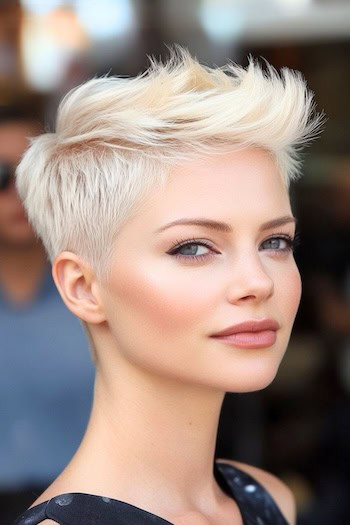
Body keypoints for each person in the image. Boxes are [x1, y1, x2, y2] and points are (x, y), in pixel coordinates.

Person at [13, 48, 321, 525]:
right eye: (194, 248)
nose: (258, 282)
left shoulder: (267, 499)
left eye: (275, 241)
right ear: (83, 287)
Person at [0, 109, 94, 523]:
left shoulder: (104, 291)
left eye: (33, 172)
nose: (17, 192)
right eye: (0, 175)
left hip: (88, 509)